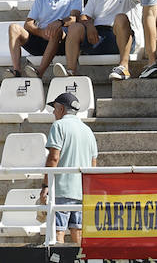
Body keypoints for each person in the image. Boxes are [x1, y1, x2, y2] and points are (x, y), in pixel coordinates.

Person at [9, 0, 84, 78]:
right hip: (41, 38)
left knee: (56, 30)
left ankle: (40, 72)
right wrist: (42, 33)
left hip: (62, 43)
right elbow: (28, 24)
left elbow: (74, 18)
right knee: (14, 28)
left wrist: (58, 23)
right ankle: (16, 70)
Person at [42, 91, 98, 246]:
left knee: (58, 231)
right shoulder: (88, 131)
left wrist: (46, 185)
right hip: (81, 190)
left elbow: (54, 157)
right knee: (78, 231)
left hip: (62, 189)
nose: (53, 112)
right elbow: (94, 164)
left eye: (54, 108)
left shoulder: (58, 125)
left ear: (61, 109)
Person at [69, 0, 139, 79]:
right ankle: (70, 71)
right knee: (75, 27)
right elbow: (85, 16)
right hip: (96, 37)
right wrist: (90, 26)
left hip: (121, 38)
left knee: (120, 18)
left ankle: (124, 67)